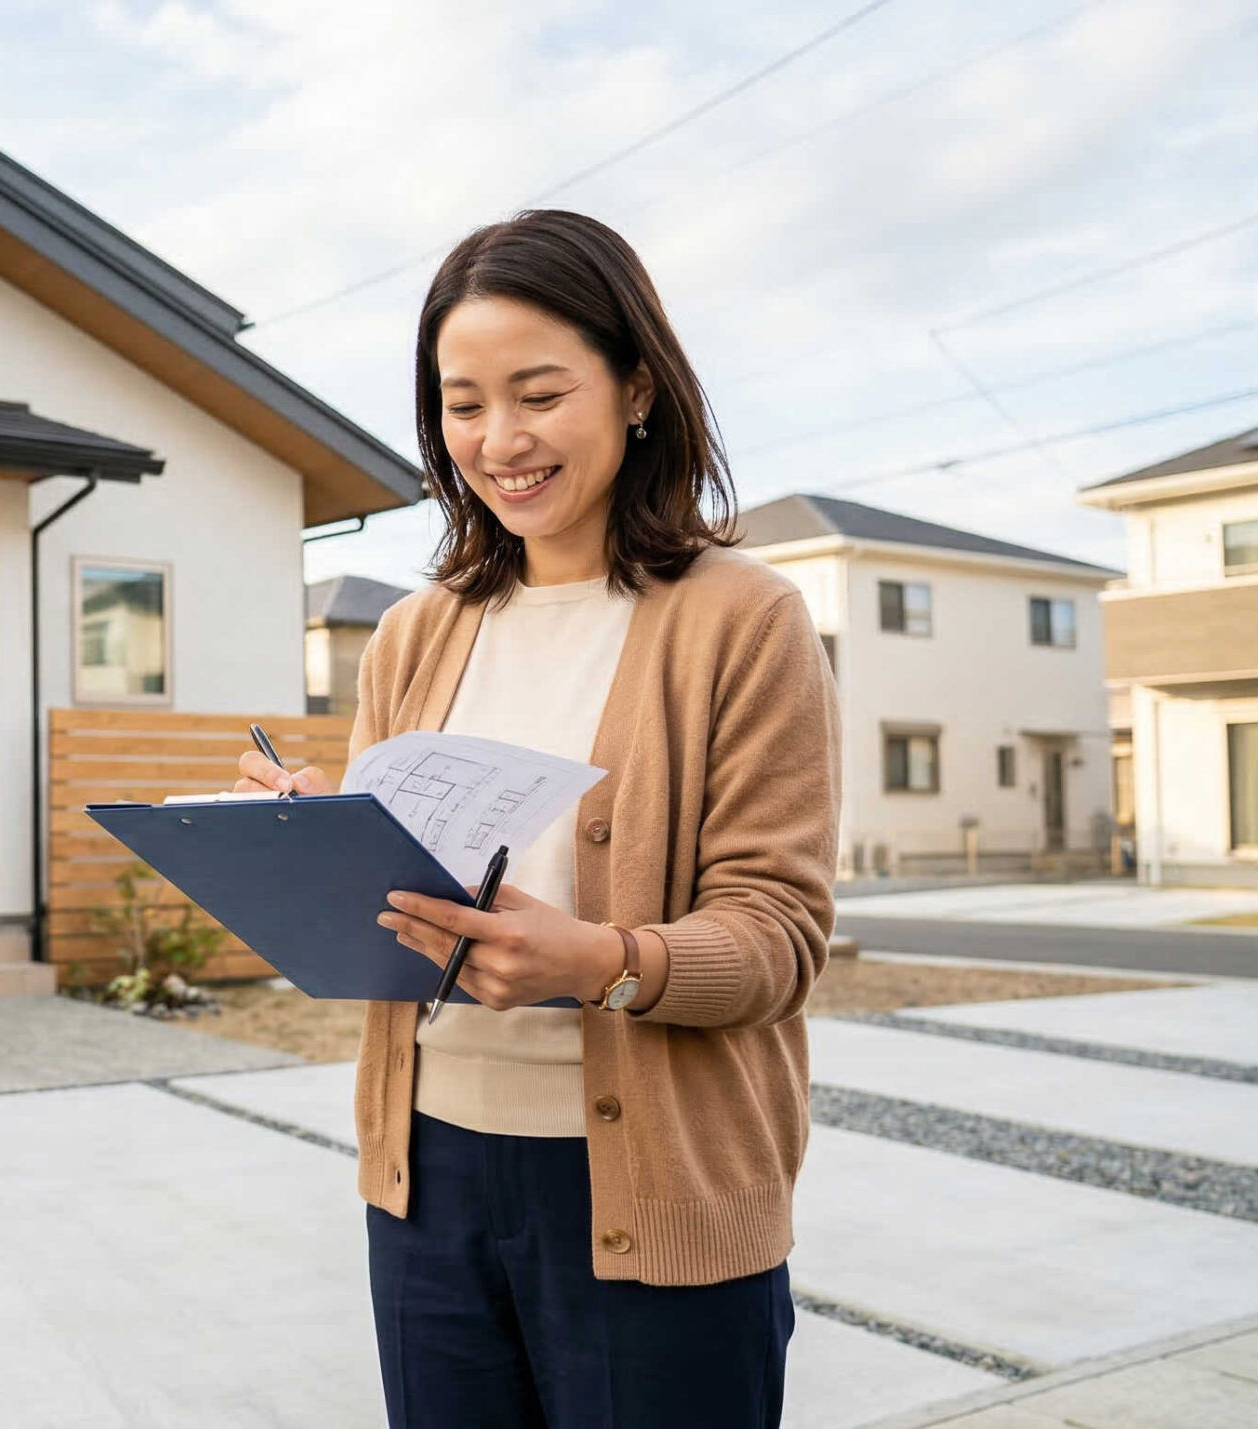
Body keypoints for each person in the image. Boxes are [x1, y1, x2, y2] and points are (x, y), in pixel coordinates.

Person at [235, 209, 838, 1428]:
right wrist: (317, 848)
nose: (497, 440)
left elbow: (778, 938)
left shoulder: (743, 619)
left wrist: (605, 964)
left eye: (538, 393)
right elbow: (393, 905)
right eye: (463, 405)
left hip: (655, 1196)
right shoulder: (414, 632)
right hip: (427, 1182)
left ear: (635, 390)